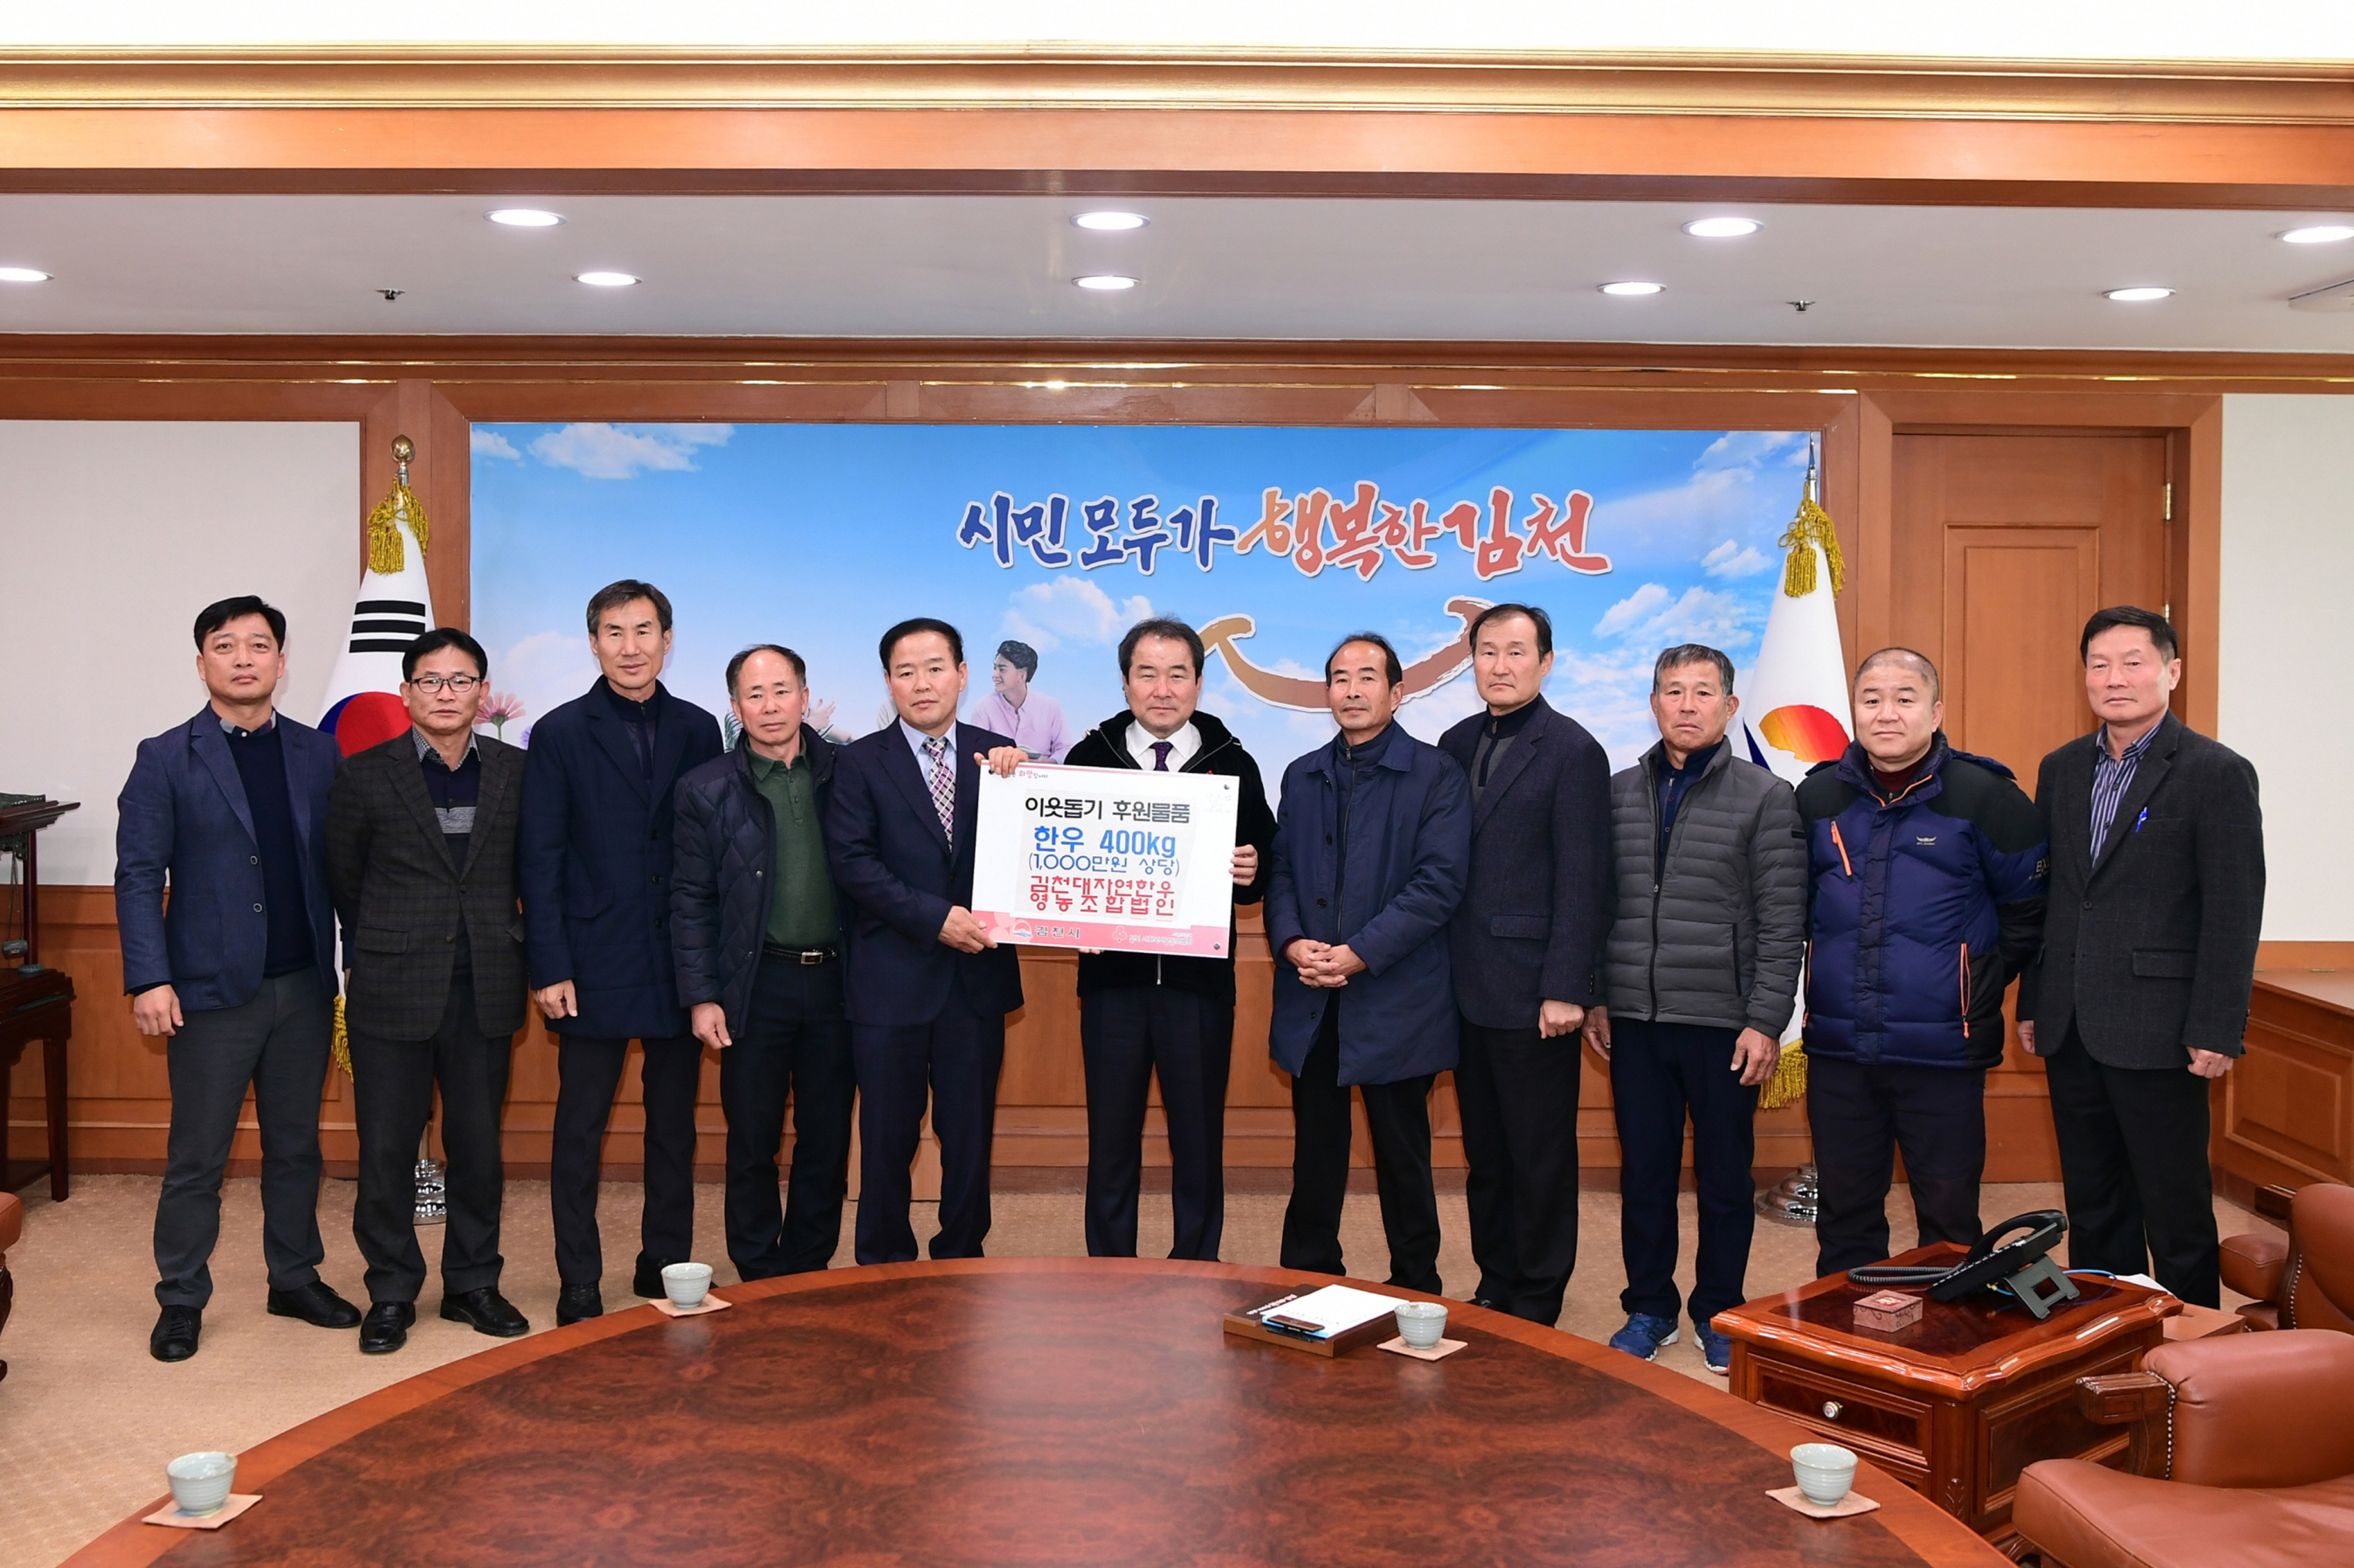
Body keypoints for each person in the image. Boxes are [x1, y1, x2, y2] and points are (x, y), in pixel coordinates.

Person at [117, 595, 359, 1362]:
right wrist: (148, 978)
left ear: (282, 663)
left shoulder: (318, 753)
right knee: (198, 1155)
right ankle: (181, 1295)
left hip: (304, 985)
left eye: (259, 644)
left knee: (296, 1147)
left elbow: (345, 865)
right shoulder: (165, 756)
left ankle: (294, 1277)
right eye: (226, 645)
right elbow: (136, 875)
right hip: (207, 993)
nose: (244, 658)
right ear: (202, 664)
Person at [2019, 607, 2263, 1308]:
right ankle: (2104, 1337)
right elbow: (2050, 896)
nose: (2114, 678)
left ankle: (2193, 1346)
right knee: (2093, 1204)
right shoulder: (2061, 768)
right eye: (2099, 664)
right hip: (2070, 1021)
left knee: (2174, 1208)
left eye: (2132, 662)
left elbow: (2233, 908)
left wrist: (2217, 1025)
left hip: (2162, 1027)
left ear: (2171, 671)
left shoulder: (2215, 772)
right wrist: (2034, 999)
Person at [1584, 644, 1806, 1371]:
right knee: (1643, 1174)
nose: (1686, 704)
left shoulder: (1765, 796)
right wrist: (1596, 995)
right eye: (1672, 690)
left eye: (1702, 691)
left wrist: (1765, 1019)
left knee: (1723, 1178)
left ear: (1729, 706)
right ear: (1653, 703)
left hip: (1723, 1023)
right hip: (1635, 1020)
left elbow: (1783, 919)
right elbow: (1594, 905)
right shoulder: (1615, 792)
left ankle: (1718, 1309)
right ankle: (1648, 1306)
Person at [1797, 648, 2048, 1277]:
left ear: (1935, 712)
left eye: (1904, 699)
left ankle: (1948, 1335)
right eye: (1871, 699)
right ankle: (1847, 1331)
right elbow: (1793, 910)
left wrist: (1973, 980)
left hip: (1943, 1052)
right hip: (1839, 1048)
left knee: (1948, 1218)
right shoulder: (1816, 795)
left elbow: (2030, 912)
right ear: (1854, 710)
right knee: (1845, 1214)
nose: (1886, 713)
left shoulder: (1987, 797)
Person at [520, 580, 724, 1325]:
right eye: (614, 632)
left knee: (673, 1126)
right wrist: (550, 964)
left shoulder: (700, 727)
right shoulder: (559, 731)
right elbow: (539, 856)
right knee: (580, 1129)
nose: (630, 647)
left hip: (677, 959)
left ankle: (663, 1261)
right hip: (591, 959)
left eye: (643, 631)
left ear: (667, 639)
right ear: (593, 642)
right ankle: (578, 1277)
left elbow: (710, 847)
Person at [326, 627, 530, 1354]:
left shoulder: (517, 770)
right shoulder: (363, 774)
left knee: (477, 1148)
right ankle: (390, 1289)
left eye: (461, 680)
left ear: (482, 691)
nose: (446, 693)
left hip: (486, 985)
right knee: (385, 1150)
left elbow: (531, 869)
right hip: (392, 984)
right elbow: (345, 877)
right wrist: (386, 941)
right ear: (406, 691)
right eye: (431, 681)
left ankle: (473, 1283)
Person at [1061, 618, 1277, 1261]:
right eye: (1147, 674)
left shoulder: (1233, 762)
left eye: (1177, 674)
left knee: (1198, 1141)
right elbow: (1058, 869)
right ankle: (1109, 1277)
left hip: (1198, 986)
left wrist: (1254, 867)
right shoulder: (1088, 758)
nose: (1162, 689)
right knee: (1110, 1143)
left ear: (1198, 683)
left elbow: (1265, 864)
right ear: (1125, 682)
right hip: (1112, 986)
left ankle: (1196, 1272)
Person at [1267, 632, 1471, 1293]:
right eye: (1339, 678)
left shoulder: (1435, 773)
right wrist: (1291, 941)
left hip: (1395, 995)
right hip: (1312, 992)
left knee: (1402, 1153)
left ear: (1396, 691)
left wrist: (1359, 953)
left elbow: (1438, 884)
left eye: (1367, 677)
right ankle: (1307, 1279)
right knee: (1315, 1151)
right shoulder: (1302, 774)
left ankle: (1414, 1286)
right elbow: (1281, 873)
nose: (1351, 691)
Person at [1433, 604, 1611, 1327]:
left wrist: (1567, 987)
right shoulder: (1453, 741)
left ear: (1546, 661)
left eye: (1515, 651)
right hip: (1460, 984)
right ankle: (1495, 1278)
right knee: (1486, 1152)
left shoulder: (1572, 749)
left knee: (1538, 1153)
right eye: (1486, 651)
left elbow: (1583, 878)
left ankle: (1537, 1295)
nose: (1499, 665)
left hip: (1536, 991)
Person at [826, 618, 1024, 1264]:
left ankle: (961, 1258)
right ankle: (883, 1265)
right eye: (905, 672)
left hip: (976, 982)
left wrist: (1028, 784)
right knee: (886, 1138)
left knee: (969, 1137)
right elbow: (852, 863)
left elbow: (1035, 854)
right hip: (889, 982)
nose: (921, 683)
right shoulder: (858, 761)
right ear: (888, 682)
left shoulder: (1002, 757)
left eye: (935, 668)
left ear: (962, 675)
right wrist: (935, 918)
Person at [671, 645, 855, 1281]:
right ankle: (756, 1268)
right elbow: (689, 898)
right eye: (755, 694)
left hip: (839, 981)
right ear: (735, 706)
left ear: (804, 696)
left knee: (826, 1136)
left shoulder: (848, 773)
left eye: (782, 690)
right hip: (753, 983)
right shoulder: (704, 788)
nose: (770, 706)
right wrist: (702, 994)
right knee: (752, 1138)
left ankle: (806, 1263)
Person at [970, 638, 1071, 762]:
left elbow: (1065, 749)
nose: (994, 675)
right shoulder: (984, 707)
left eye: (1002, 670)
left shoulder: (1050, 707)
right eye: (994, 668)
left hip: (1042, 773)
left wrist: (1046, 764)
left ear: (1022, 676)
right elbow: (975, 752)